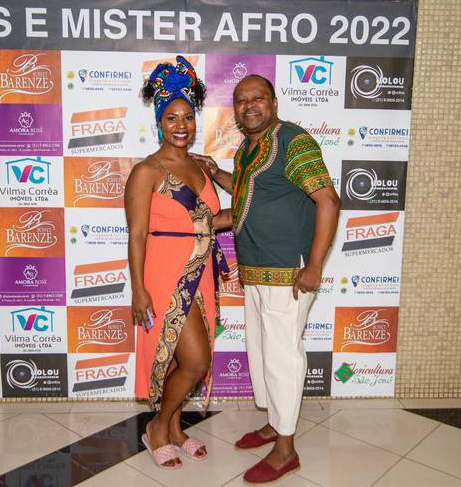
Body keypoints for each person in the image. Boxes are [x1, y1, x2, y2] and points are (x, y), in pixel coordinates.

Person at [194, 74, 340, 483]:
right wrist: (217, 172)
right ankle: (276, 424)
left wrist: (314, 265)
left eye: (257, 98)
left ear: (274, 103)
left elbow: (328, 201)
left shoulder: (293, 142)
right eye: (241, 100)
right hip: (255, 270)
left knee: (282, 358)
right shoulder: (247, 149)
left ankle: (286, 449)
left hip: (288, 272)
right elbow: (247, 195)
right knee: (261, 352)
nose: (249, 106)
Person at [125, 56, 231, 469]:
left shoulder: (201, 167)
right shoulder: (146, 171)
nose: (181, 125)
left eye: (188, 116)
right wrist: (138, 289)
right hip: (165, 273)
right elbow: (137, 234)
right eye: (172, 118)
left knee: (182, 359)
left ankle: (172, 428)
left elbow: (212, 221)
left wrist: (229, 183)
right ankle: (158, 427)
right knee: (195, 360)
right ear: (159, 121)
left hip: (200, 272)